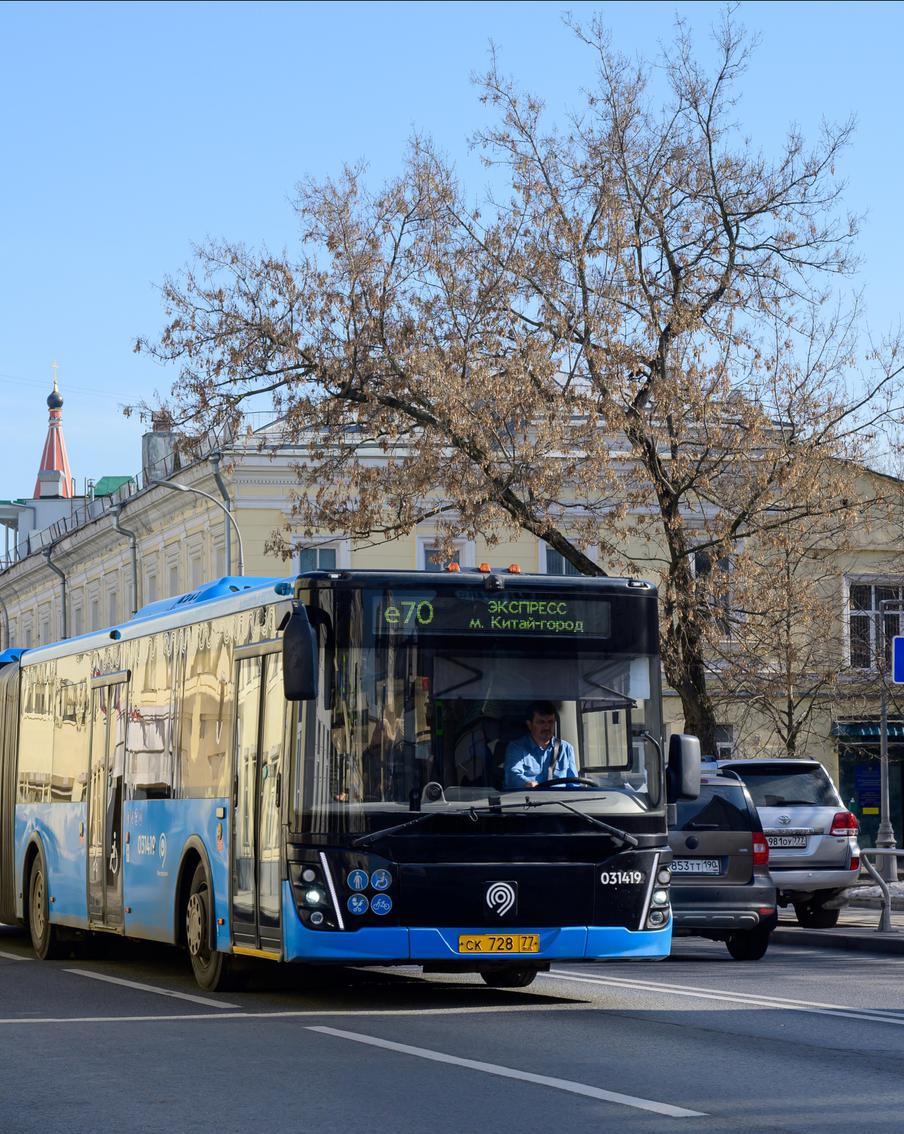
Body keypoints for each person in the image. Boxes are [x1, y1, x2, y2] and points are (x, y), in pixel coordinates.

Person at [504, 701, 577, 789]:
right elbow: (512, 776)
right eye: (541, 722)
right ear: (529, 725)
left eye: (550, 722)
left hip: (561, 801)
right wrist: (527, 784)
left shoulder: (566, 749)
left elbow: (574, 784)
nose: (547, 727)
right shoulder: (516, 747)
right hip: (527, 800)